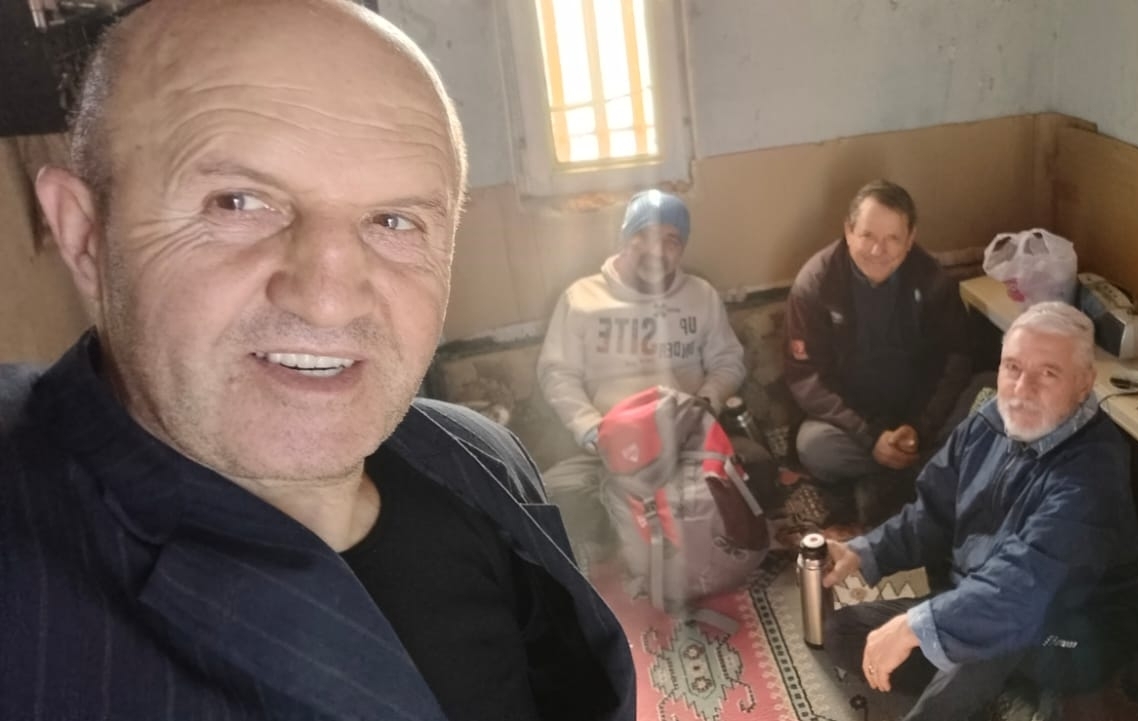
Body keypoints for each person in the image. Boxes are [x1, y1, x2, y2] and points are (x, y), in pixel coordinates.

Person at [0, 2, 633, 720]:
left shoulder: (482, 454)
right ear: (85, 235)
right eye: (237, 202)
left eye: (393, 220)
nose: (329, 301)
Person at [820, 302, 1138, 720]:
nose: (1022, 389)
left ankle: (1009, 688)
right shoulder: (989, 421)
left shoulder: (1092, 474)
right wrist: (864, 551)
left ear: (1084, 383)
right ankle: (1010, 697)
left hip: (1074, 627)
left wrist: (919, 625)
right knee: (847, 632)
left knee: (991, 631)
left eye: (1048, 373)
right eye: (1013, 367)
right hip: (985, 591)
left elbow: (1023, 586)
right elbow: (932, 512)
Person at [538, 189, 768, 558]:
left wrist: (706, 404)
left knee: (759, 469)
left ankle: (654, 525)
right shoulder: (581, 298)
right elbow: (557, 373)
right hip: (613, 448)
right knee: (550, 497)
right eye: (643, 235)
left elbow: (729, 360)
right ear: (624, 237)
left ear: (683, 249)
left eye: (671, 240)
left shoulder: (700, 295)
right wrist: (591, 429)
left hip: (686, 444)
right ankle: (647, 526)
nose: (656, 250)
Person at [784, 179, 973, 520]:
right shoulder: (815, 284)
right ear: (848, 231)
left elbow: (955, 358)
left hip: (920, 412)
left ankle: (894, 473)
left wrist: (920, 427)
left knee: (986, 394)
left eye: (892, 239)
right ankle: (922, 471)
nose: (877, 250)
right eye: (867, 235)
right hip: (855, 421)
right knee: (814, 447)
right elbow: (807, 378)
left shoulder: (931, 278)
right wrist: (871, 436)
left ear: (910, 239)